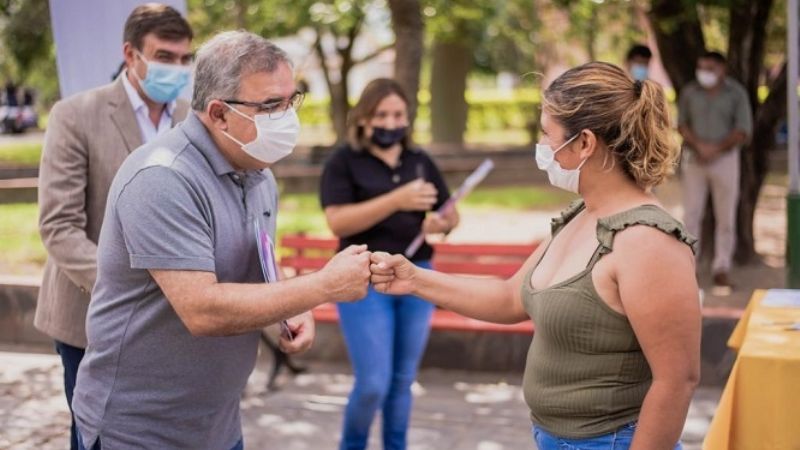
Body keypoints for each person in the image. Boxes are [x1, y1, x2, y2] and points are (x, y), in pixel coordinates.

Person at [370, 62, 701, 450]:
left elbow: (677, 380)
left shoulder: (647, 241)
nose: (541, 146)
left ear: (584, 143)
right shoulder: (583, 214)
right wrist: (414, 279)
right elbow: (512, 298)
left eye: (547, 134)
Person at [70, 30, 372, 450]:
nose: (286, 117)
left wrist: (292, 307)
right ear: (218, 113)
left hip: (218, 425)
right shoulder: (163, 177)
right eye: (269, 106)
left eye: (290, 100)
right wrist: (320, 288)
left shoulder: (258, 170)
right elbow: (203, 310)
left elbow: (257, 258)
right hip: (140, 432)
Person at [34, 5, 193, 449]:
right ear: (131, 54)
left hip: (169, 322)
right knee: (96, 437)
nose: (176, 69)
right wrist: (131, 286)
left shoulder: (191, 120)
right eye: (165, 57)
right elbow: (59, 226)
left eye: (184, 59)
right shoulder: (75, 115)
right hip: (89, 318)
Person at [320, 78, 459, 450]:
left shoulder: (420, 161)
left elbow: (449, 214)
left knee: (402, 380)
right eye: (381, 114)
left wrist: (441, 223)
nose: (390, 121)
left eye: (397, 113)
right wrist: (397, 199)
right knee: (373, 383)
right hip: (363, 280)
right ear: (364, 118)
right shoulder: (344, 162)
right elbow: (338, 222)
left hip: (417, 278)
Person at [678, 51, 752, 292]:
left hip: (726, 160)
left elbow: (742, 129)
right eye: (701, 67)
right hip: (694, 159)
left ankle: (722, 268)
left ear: (722, 69)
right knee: (691, 215)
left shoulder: (737, 93)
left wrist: (716, 149)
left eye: (709, 68)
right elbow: (681, 124)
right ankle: (690, 267)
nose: (704, 73)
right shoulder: (689, 92)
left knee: (726, 217)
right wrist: (699, 146)